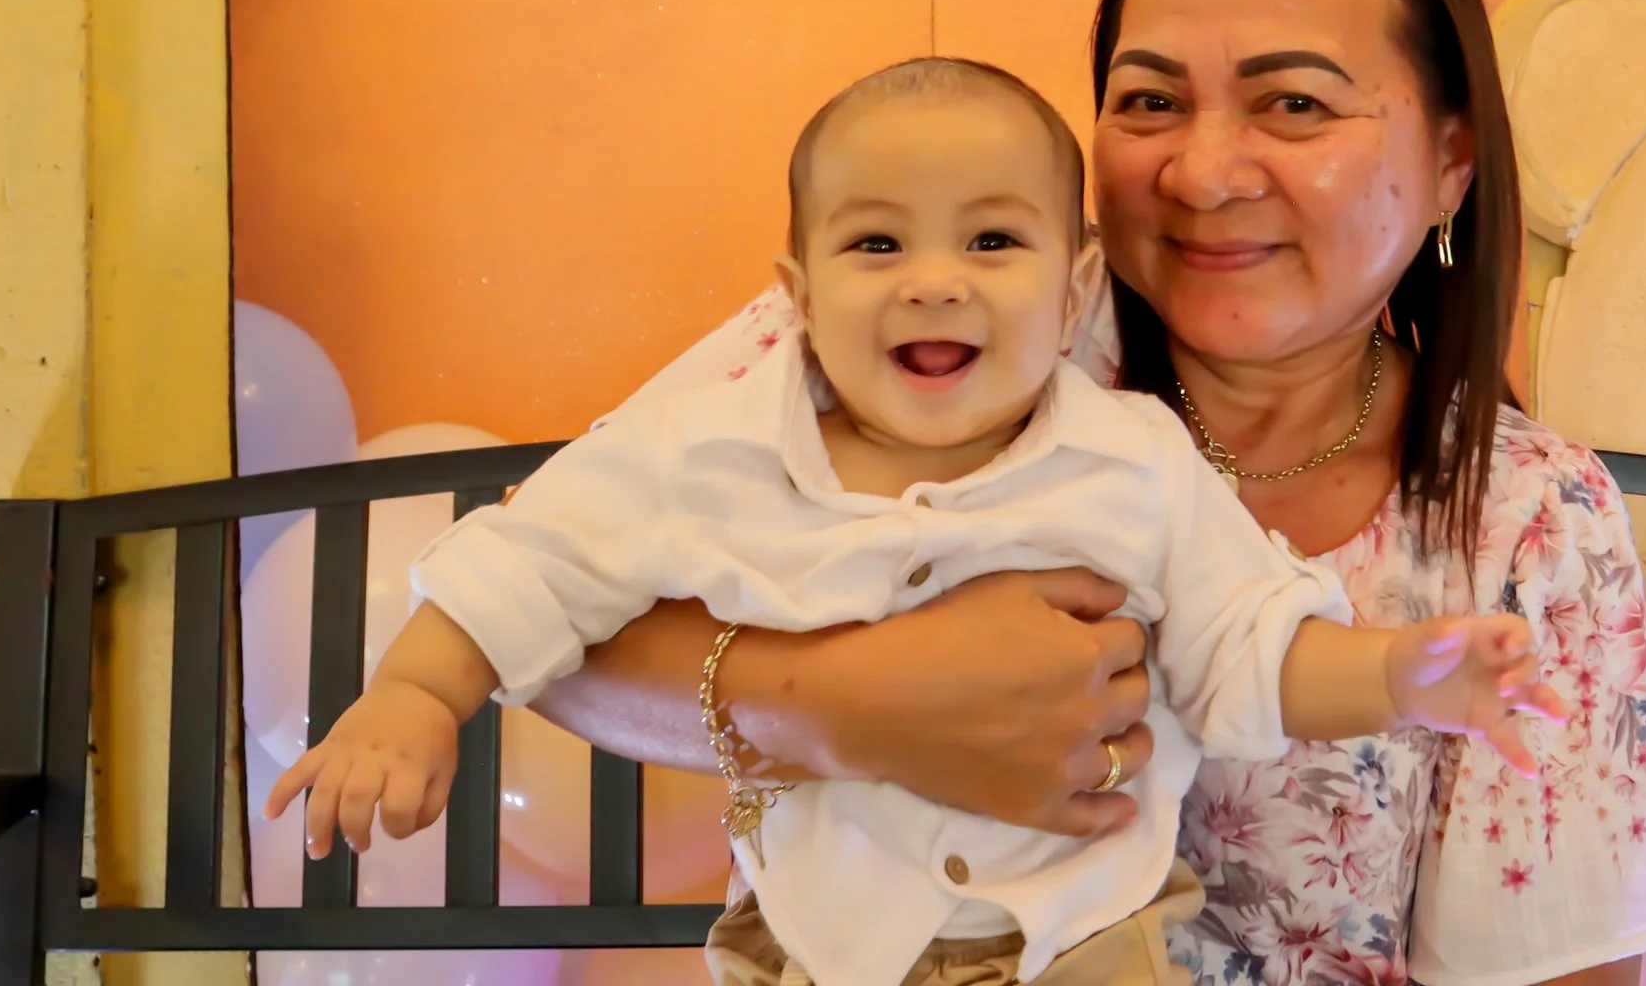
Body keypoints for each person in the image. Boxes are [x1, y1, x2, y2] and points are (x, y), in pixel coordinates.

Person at [532, 0, 1646, 986]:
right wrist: (851, 704)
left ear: (1449, 161)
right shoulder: (918, 344)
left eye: (1294, 101)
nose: (1201, 168)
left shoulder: (1526, 516)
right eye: (1150, 101)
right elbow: (540, 610)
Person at [269, 55, 1564, 986]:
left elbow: (1250, 648)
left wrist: (1401, 675)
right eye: (876, 246)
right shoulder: (716, 447)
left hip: (1084, 946)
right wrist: (413, 699)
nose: (933, 282)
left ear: (1071, 297)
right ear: (798, 293)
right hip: (819, 950)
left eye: (991, 243)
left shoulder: (1132, 463)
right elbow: (530, 561)